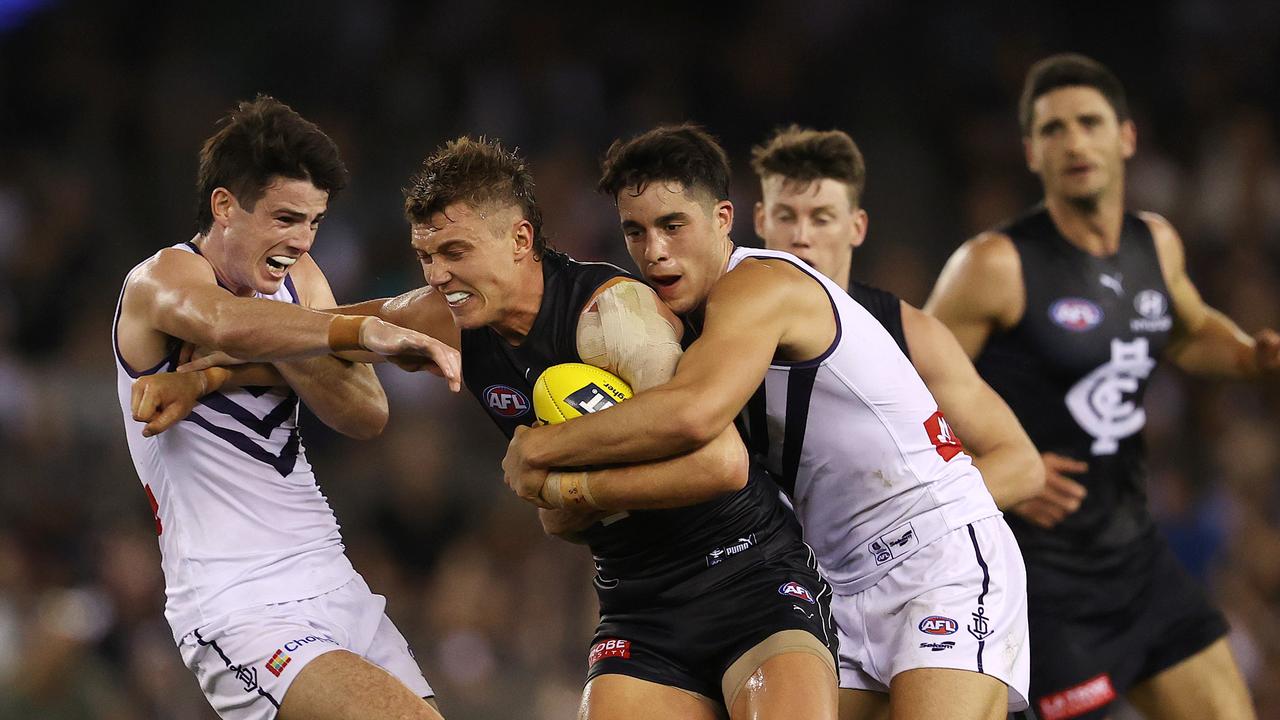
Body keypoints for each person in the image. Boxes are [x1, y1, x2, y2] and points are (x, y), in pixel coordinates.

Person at [152, 136, 841, 720]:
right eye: (426, 256)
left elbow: (721, 467)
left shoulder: (614, 315)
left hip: (749, 577)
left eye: (454, 252)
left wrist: (565, 487)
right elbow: (318, 338)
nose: (439, 275)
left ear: (518, 239)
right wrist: (202, 377)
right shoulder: (453, 312)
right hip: (639, 606)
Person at [503, 124, 1031, 719]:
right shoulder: (678, 331)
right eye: (636, 230)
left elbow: (694, 416)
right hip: (836, 580)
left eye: (673, 225)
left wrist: (542, 452)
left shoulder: (761, 284)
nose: (654, 251)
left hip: (935, 557)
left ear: (724, 217)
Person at [924, 54, 1278, 719]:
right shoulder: (992, 265)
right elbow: (901, 396)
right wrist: (988, 470)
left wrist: (1249, 356)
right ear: (1031, 151)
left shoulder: (1157, 244)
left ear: (1126, 137)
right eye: (1054, 129)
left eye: (1090, 123)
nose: (1074, 141)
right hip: (1042, 583)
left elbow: (1189, 328)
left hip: (1139, 558)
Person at [115, 96, 460, 720]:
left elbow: (365, 413)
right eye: (284, 218)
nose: (299, 241)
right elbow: (223, 317)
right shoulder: (160, 279)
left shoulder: (300, 281)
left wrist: (222, 371)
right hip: (238, 599)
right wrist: (356, 333)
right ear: (225, 206)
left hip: (331, 573)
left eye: (313, 222)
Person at [749, 125, 1043, 509]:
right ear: (760, 220)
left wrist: (902, 518)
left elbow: (1020, 465)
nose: (801, 236)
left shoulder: (908, 332)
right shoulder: (718, 321)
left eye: (822, 218)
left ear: (857, 227)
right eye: (785, 216)